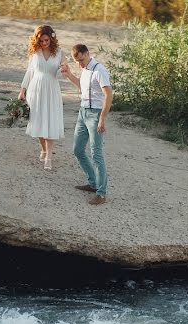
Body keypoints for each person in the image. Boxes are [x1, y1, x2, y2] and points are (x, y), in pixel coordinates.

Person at [60, 44, 112, 205]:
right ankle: (93, 183)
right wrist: (69, 74)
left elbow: (108, 94)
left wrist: (102, 118)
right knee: (77, 149)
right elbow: (83, 87)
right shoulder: (84, 70)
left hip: (96, 114)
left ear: (88, 53)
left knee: (96, 153)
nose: (80, 64)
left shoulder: (99, 70)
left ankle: (101, 194)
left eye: (81, 60)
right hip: (83, 112)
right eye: (77, 61)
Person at [18, 25, 65, 171]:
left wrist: (64, 68)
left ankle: (49, 157)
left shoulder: (59, 53)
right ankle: (43, 149)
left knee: (50, 121)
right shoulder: (35, 53)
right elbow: (29, 72)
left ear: (51, 38)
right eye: (41, 41)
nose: (44, 43)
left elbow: (64, 69)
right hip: (35, 89)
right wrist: (22, 90)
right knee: (38, 120)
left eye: (46, 40)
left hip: (51, 89)